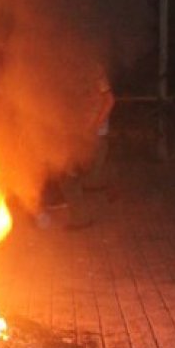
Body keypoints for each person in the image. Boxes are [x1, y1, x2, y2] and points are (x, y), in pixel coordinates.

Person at [60, 68, 116, 230]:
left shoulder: (93, 70)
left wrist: (94, 127)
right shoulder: (73, 71)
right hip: (80, 136)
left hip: (94, 137)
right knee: (71, 177)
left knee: (77, 178)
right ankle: (80, 218)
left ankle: (109, 180)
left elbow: (110, 100)